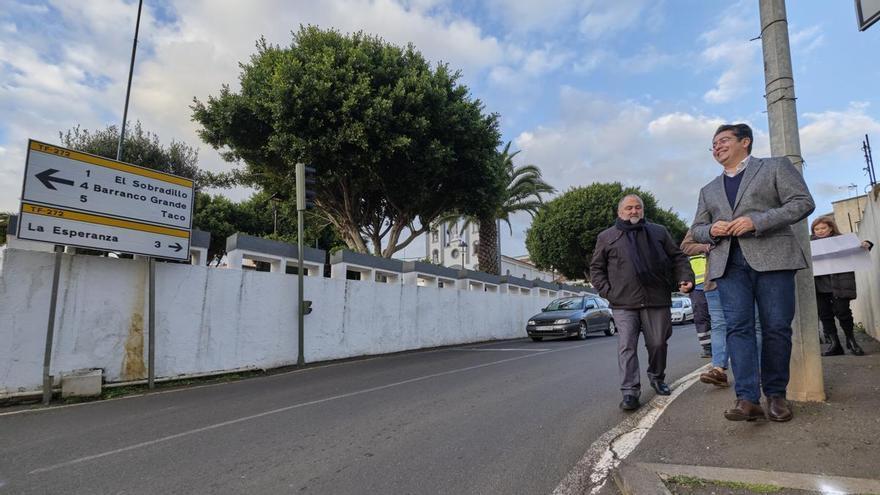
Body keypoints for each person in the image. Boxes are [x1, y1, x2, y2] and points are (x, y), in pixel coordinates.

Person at [692, 123, 815, 423]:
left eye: (723, 141)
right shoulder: (708, 190)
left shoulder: (774, 167)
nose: (717, 147)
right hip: (728, 265)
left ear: (745, 141)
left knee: (776, 327)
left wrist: (756, 221)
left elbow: (802, 203)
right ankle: (747, 399)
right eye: (713, 144)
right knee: (738, 329)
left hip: (773, 259)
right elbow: (696, 229)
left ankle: (775, 395)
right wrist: (711, 229)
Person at [590, 194, 695, 412]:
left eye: (638, 207)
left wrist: (685, 278)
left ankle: (657, 377)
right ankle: (629, 391)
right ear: (620, 212)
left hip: (656, 299)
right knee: (627, 346)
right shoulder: (607, 237)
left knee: (658, 343)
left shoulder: (658, 232)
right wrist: (608, 292)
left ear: (643, 210)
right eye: (628, 208)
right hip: (623, 303)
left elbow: (678, 257)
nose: (633, 211)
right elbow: (596, 269)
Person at [681, 229, 763, 388]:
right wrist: (705, 246)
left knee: (755, 325)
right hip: (715, 282)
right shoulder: (704, 221)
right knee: (719, 326)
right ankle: (718, 369)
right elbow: (686, 246)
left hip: (748, 280)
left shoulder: (747, 213)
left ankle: (758, 372)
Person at [810, 216, 873, 356]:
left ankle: (851, 341)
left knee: (843, 312)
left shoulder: (843, 241)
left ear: (831, 228)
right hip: (819, 286)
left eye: (823, 228)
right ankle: (835, 345)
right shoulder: (810, 244)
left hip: (840, 284)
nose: (820, 231)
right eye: (816, 229)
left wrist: (867, 243)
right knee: (825, 315)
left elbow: (860, 249)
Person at [685, 249, 712, 358]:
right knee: (700, 318)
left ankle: (722, 345)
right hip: (697, 288)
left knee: (719, 318)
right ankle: (707, 347)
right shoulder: (689, 244)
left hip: (713, 284)